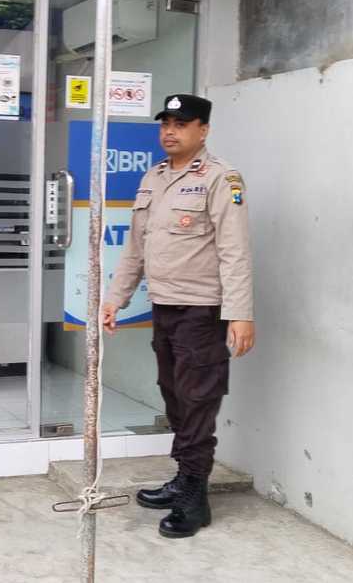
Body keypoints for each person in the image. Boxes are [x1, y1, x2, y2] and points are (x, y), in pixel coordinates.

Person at [100, 93, 255, 540]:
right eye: (165, 123)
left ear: (203, 130)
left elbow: (235, 251)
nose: (170, 131)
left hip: (202, 310)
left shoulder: (221, 178)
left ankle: (194, 497)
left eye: (181, 124)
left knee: (197, 399)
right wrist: (115, 298)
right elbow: (136, 248)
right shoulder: (154, 177)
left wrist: (240, 314)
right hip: (165, 306)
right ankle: (184, 476)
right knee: (174, 396)